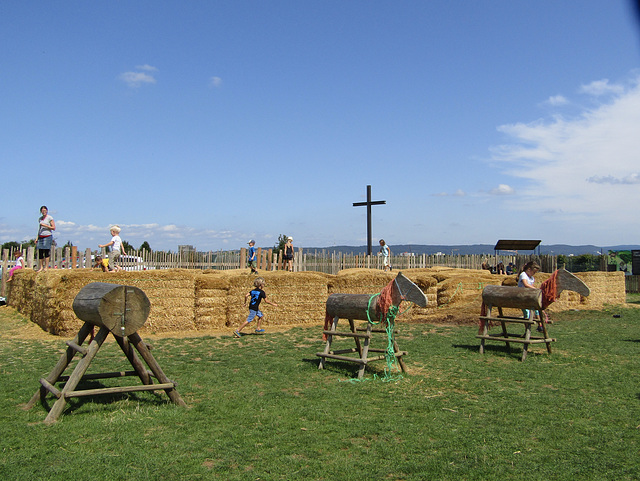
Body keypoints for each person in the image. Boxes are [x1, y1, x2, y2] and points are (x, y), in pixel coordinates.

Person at [518, 261, 543, 331]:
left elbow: (531, 286)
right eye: (534, 272)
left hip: (529, 297)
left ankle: (540, 325)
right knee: (527, 313)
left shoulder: (532, 278)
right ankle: (527, 329)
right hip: (522, 297)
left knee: (537, 310)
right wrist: (536, 289)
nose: (534, 274)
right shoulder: (523, 275)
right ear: (529, 269)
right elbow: (526, 284)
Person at [36, 205, 56, 272]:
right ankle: (41, 267)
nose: (43, 212)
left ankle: (46, 267)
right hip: (41, 236)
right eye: (42, 211)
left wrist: (45, 226)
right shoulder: (40, 219)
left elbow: (53, 228)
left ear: (47, 211)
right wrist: (37, 238)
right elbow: (39, 229)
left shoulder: (50, 218)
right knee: (40, 252)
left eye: (45, 210)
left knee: (46, 251)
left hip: (47, 236)